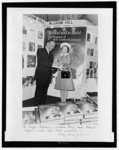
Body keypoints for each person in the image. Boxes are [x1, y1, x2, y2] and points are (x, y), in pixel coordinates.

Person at [34, 40, 55, 105]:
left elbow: (50, 68)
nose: (53, 47)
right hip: (40, 75)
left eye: (54, 46)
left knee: (44, 92)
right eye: (52, 45)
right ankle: (36, 107)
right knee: (38, 92)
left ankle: (42, 106)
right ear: (47, 44)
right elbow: (42, 61)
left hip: (48, 76)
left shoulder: (51, 55)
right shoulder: (40, 50)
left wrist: (56, 70)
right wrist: (55, 65)